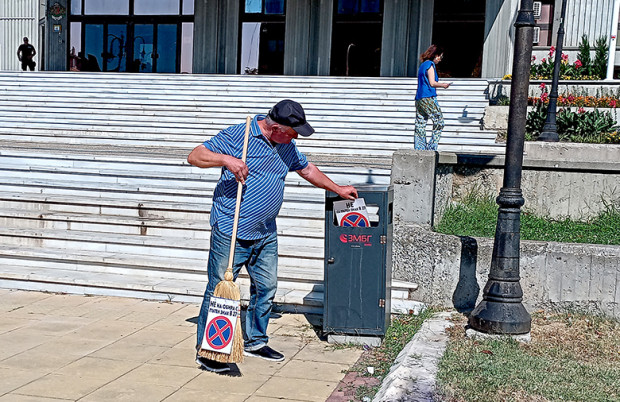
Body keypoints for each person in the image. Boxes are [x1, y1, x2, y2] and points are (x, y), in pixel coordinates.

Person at [188, 99, 358, 373]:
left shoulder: (286, 146)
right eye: (292, 132)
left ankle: (256, 340)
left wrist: (337, 188)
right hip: (232, 230)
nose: (295, 138)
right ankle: (210, 351)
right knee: (219, 291)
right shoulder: (238, 135)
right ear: (276, 127)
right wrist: (226, 160)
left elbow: (307, 169)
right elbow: (194, 156)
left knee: (266, 288)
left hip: (265, 231)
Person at [414, 44, 451, 151]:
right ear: (435, 55)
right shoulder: (430, 65)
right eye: (440, 56)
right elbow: (432, 83)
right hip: (428, 97)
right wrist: (443, 85)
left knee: (420, 123)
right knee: (439, 122)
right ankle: (431, 147)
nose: (440, 59)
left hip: (419, 98)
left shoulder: (422, 65)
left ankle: (419, 148)